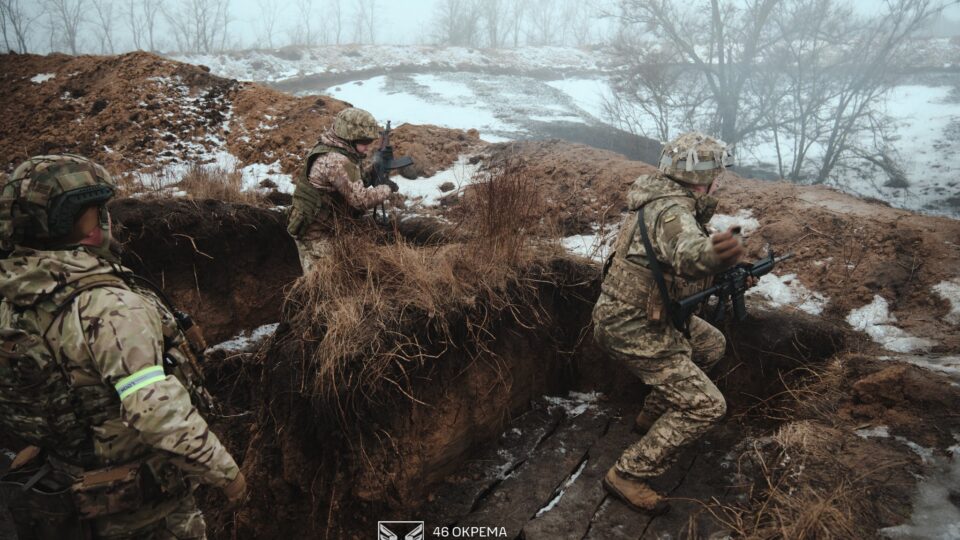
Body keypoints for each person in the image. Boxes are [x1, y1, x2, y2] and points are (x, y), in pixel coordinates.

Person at [0, 154, 245, 539]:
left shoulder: (15, 298)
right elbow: (156, 413)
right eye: (98, 212)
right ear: (84, 224)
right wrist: (227, 475)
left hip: (64, 500)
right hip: (143, 511)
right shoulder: (110, 308)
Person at [592, 132, 746, 514]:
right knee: (707, 406)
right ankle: (628, 473)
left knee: (710, 344)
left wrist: (727, 271)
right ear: (703, 178)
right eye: (717, 174)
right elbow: (688, 255)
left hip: (641, 315)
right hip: (633, 326)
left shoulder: (663, 199)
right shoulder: (673, 212)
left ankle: (652, 414)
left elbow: (672, 264)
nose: (719, 181)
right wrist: (713, 255)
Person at [287, 107, 399, 273]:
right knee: (323, 279)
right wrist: (386, 189)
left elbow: (349, 182)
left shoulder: (337, 147)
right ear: (350, 138)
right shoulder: (336, 160)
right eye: (364, 142)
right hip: (313, 232)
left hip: (329, 225)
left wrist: (373, 171)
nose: (367, 148)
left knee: (346, 266)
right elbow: (361, 200)